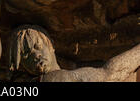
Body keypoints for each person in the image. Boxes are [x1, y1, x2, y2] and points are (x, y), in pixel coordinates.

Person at [9, 25, 140, 82]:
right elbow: (109, 73)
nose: (35, 55)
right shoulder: (57, 78)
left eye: (38, 46)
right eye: (25, 54)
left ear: (50, 45)